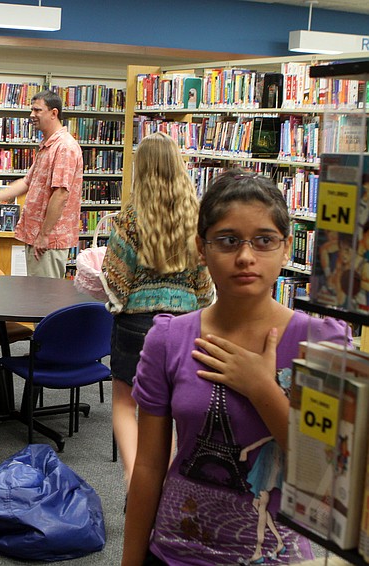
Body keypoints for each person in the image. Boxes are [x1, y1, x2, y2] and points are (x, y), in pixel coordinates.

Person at [121, 170, 349, 565]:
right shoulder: (169, 340)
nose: (246, 257)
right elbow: (148, 466)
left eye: (263, 240)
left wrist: (262, 388)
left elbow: (327, 474)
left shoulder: (323, 344)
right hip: (176, 553)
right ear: (201, 248)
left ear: (285, 247)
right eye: (228, 241)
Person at [101, 132, 214, 489]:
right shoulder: (195, 220)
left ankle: (135, 478)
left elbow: (117, 282)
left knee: (124, 403)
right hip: (183, 325)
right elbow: (204, 287)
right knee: (166, 410)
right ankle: (161, 485)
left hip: (137, 323)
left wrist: (116, 299)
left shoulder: (130, 219)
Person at [0, 89, 82, 278]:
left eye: (37, 110)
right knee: (37, 296)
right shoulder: (47, 146)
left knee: (45, 299)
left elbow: (60, 194)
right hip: (37, 237)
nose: (31, 115)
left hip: (47, 241)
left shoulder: (64, 148)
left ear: (54, 113)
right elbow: (28, 182)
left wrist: (44, 235)